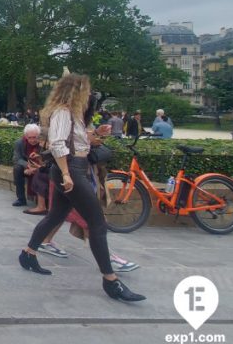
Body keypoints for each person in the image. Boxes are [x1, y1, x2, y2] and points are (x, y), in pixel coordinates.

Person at [19, 74, 145, 303]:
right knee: (97, 224)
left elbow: (76, 143)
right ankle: (110, 280)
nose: (89, 95)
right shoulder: (63, 113)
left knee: (55, 215)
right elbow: (58, 144)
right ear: (76, 92)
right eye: (86, 91)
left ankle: (28, 253)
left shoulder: (73, 115)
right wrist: (67, 173)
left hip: (72, 169)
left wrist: (96, 135)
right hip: (71, 171)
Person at [12, 124, 42, 207]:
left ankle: (41, 200)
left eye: (35, 137)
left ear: (38, 136)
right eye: (30, 138)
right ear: (26, 136)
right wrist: (28, 166)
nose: (32, 140)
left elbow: (46, 159)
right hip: (26, 167)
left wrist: (35, 168)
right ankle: (21, 199)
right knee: (17, 168)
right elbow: (17, 159)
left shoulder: (43, 143)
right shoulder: (19, 143)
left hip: (40, 165)